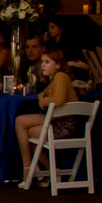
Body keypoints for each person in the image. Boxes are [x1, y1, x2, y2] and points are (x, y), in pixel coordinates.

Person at [14, 46, 81, 185]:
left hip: (65, 124)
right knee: (22, 125)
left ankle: (29, 171)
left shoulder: (61, 76)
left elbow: (59, 100)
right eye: (42, 61)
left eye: (47, 62)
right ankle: (44, 170)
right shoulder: (55, 78)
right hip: (58, 120)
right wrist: (43, 97)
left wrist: (43, 101)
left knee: (24, 129)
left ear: (57, 64)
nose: (42, 65)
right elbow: (44, 94)